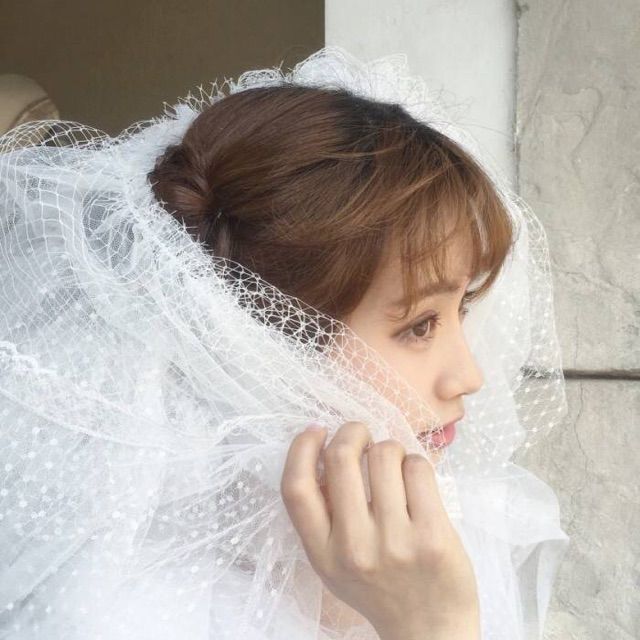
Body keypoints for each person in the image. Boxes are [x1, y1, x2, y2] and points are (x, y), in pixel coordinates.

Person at [0, 47, 569, 640]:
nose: (469, 376)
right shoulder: (133, 616)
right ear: (261, 347)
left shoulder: (435, 534)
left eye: (462, 309)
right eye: (419, 325)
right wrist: (434, 626)